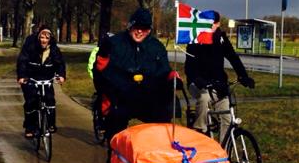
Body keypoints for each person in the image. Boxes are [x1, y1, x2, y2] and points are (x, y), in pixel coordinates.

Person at [95, 8, 181, 142]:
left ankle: (157, 148)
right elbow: (101, 70)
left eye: (144, 28)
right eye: (137, 27)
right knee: (116, 128)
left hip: (146, 95)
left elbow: (164, 70)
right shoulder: (115, 43)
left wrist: (172, 77)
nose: (140, 31)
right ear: (130, 26)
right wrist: (107, 91)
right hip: (121, 95)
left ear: (149, 30)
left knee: (164, 112)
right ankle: (115, 150)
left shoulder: (156, 46)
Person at [185, 11, 255, 140]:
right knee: (204, 98)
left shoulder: (221, 39)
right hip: (198, 83)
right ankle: (200, 131)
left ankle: (224, 148)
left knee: (227, 117)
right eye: (206, 23)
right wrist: (196, 79)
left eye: (212, 23)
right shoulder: (195, 39)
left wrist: (243, 76)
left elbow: (233, 58)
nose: (209, 26)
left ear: (218, 24)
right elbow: (189, 66)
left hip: (218, 83)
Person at [16, 25, 66, 138]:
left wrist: (61, 75)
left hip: (46, 78)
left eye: (47, 38)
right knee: (31, 101)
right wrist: (22, 76)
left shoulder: (54, 49)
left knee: (50, 100)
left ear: (50, 39)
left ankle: (51, 124)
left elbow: (60, 63)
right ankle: (30, 127)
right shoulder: (30, 46)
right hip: (31, 77)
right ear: (38, 37)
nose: (44, 40)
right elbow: (22, 61)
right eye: (42, 37)